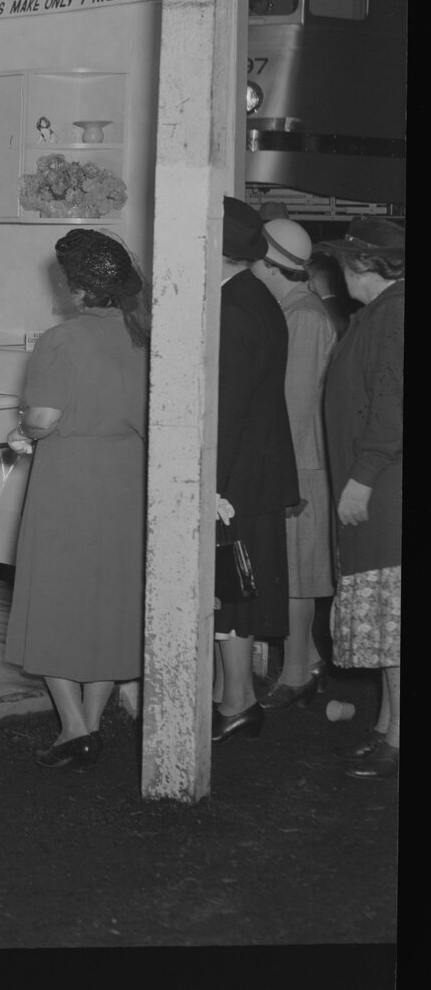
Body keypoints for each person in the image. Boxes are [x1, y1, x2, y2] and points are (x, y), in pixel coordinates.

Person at [3, 229, 150, 769]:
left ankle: (75, 726)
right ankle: (91, 719)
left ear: (78, 289)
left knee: (56, 595)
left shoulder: (61, 341)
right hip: (128, 474)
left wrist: (21, 432)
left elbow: (43, 419)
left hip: (71, 478)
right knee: (109, 597)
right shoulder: (143, 335)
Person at [213, 197, 300, 745]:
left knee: (230, 591)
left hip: (239, 474)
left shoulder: (231, 308)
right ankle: (231, 698)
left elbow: (228, 410)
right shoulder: (254, 296)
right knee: (236, 589)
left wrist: (210, 485)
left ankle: (238, 701)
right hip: (260, 467)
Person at [318, 218, 403, 779]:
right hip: (380, 486)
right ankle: (387, 727)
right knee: (390, 624)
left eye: (346, 261)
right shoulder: (381, 313)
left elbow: (392, 408)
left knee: (394, 625)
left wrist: (362, 477)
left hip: (386, 492)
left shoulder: (395, 314)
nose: (339, 270)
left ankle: (399, 738)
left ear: (367, 265)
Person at [251, 218, 340, 708]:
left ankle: (296, 674)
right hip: (294, 461)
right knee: (290, 572)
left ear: (269, 264)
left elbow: (295, 406)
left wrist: (285, 479)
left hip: (300, 464)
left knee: (298, 576)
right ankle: (306, 664)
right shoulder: (289, 309)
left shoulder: (302, 317)